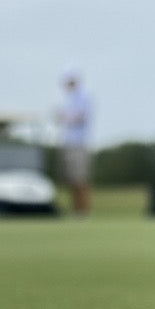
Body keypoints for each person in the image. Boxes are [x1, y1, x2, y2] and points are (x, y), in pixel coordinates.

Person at [58, 67, 93, 215]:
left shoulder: (84, 96)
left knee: (81, 179)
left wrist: (66, 118)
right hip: (69, 143)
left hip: (80, 143)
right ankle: (76, 210)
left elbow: (81, 118)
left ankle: (83, 211)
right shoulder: (69, 99)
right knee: (71, 179)